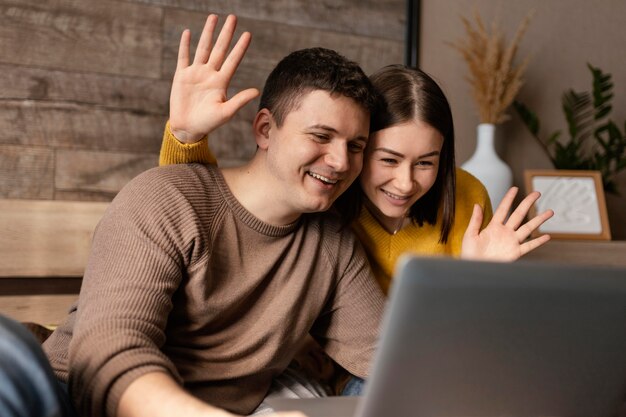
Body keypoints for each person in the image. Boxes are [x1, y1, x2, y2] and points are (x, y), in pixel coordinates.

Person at [1, 14, 386, 417]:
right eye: (321, 136)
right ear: (265, 130)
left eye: (356, 145)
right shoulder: (165, 198)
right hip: (73, 402)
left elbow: (387, 356)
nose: (341, 161)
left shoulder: (333, 244)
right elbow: (110, 354)